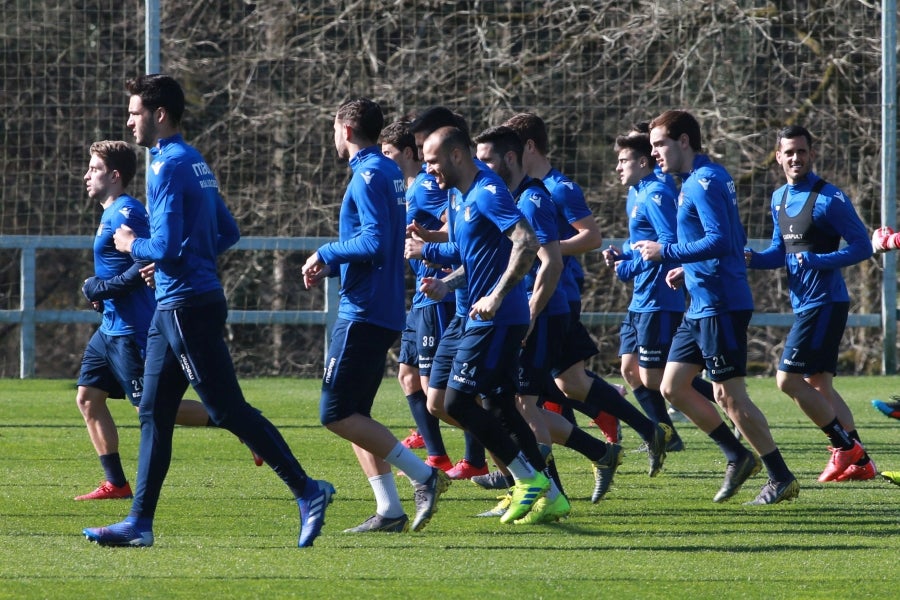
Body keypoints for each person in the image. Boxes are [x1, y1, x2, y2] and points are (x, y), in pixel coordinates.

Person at [83, 74, 332, 548]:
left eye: (135, 112)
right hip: (173, 305)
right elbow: (227, 231)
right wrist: (183, 256)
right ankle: (139, 523)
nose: (129, 121)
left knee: (226, 408)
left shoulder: (167, 167)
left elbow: (168, 247)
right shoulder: (193, 161)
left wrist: (135, 245)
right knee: (154, 411)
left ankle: (308, 489)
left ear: (158, 115)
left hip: (186, 306)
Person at [634, 109, 799, 505]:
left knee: (731, 397)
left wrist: (668, 252)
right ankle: (737, 455)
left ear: (684, 141)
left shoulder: (703, 183)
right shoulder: (702, 177)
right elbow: (718, 242)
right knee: (671, 385)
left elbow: (721, 240)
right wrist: (686, 270)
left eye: (660, 144)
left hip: (720, 303)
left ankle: (780, 476)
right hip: (701, 299)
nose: (655, 152)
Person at [75, 140, 254, 502]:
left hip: (132, 329)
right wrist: (101, 293)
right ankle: (117, 483)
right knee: (88, 398)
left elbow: (146, 262)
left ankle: (240, 424)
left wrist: (101, 287)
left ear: (114, 175)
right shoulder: (110, 212)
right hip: (109, 328)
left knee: (150, 407)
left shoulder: (127, 212)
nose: (86, 175)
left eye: (93, 169)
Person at [302, 99, 450, 534]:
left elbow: (372, 242)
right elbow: (381, 246)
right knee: (356, 416)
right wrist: (334, 266)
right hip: (382, 307)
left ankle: (424, 476)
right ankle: (389, 510)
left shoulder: (368, 174)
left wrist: (327, 251)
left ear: (346, 130)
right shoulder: (387, 172)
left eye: (332, 128)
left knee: (334, 413)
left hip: (363, 311)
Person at [500, 112, 671, 480]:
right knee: (567, 384)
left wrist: (539, 248)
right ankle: (637, 434)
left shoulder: (558, 188)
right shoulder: (517, 189)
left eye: (509, 149)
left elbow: (591, 237)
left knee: (526, 397)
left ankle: (541, 483)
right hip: (542, 296)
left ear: (527, 147)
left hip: (552, 295)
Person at [414, 125, 563, 524]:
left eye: (432, 161)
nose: (428, 170)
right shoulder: (456, 193)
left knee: (461, 403)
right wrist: (445, 283)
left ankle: (529, 481)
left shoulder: (487, 190)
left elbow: (527, 243)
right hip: (466, 316)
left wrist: (496, 297)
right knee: (463, 402)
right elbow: (473, 256)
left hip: (497, 319)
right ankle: (548, 492)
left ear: (457, 155)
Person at [474, 125, 624, 507]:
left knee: (523, 406)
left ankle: (541, 492)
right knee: (523, 404)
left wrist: (529, 314)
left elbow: (552, 261)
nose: (482, 167)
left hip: (541, 312)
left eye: (487, 159)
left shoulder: (536, 198)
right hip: (527, 312)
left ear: (515, 154)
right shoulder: (506, 197)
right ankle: (595, 456)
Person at [746, 125, 876, 481]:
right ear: (778, 157)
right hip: (805, 303)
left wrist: (818, 260)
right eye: (788, 152)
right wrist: (750, 259)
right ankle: (862, 465)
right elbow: (778, 252)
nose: (795, 158)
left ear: (812, 154)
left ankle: (842, 447)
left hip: (826, 301)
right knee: (820, 385)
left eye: (801, 151)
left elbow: (862, 246)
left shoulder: (829, 198)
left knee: (787, 379)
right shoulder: (779, 198)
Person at [379, 120, 459, 474]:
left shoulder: (427, 186)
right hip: (421, 296)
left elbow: (453, 224)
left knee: (435, 389)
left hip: (437, 295)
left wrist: (429, 244)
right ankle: (437, 454)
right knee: (408, 377)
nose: (383, 160)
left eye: (388, 153)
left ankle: (484, 450)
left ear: (407, 153)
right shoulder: (409, 188)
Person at [602, 132, 687, 451]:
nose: (617, 167)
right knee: (628, 367)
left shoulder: (657, 193)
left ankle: (725, 398)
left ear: (642, 162)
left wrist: (628, 266)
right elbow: (638, 242)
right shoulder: (636, 193)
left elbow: (667, 244)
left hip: (659, 298)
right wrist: (621, 253)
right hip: (641, 298)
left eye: (623, 160)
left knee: (661, 378)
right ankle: (665, 435)